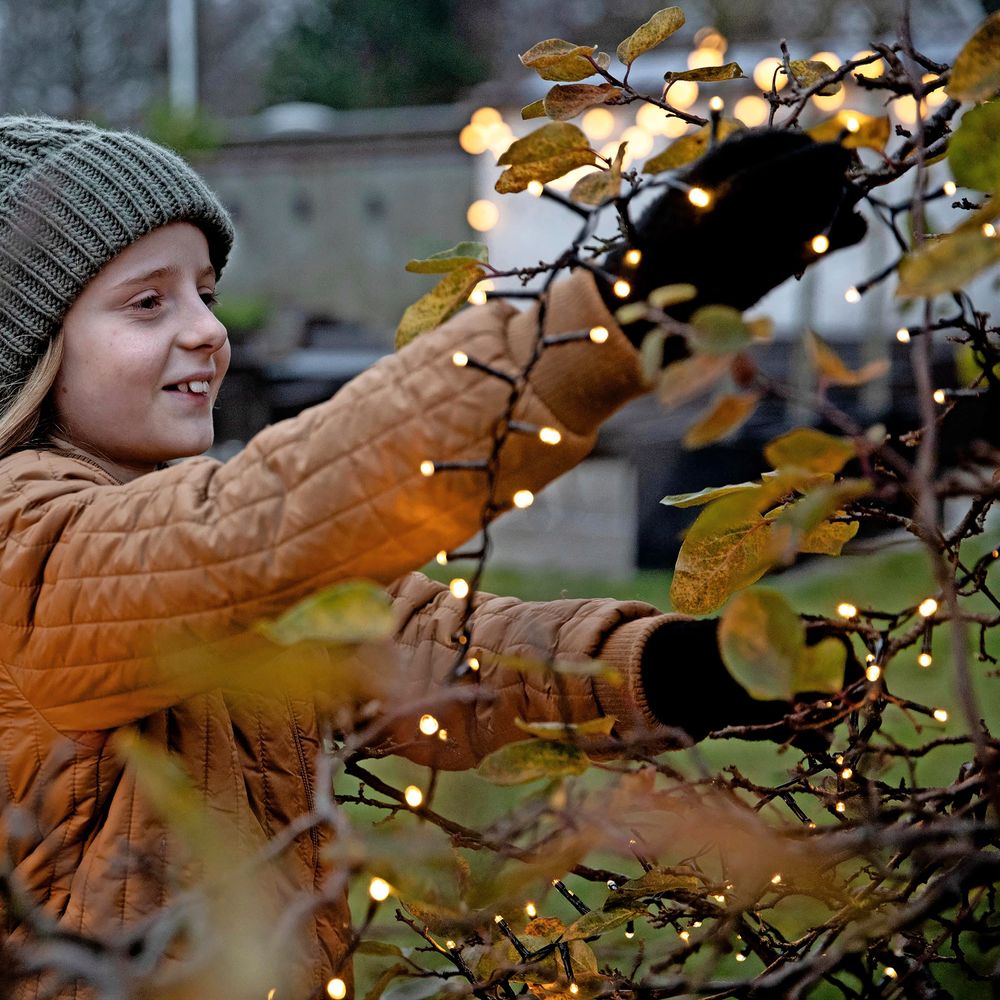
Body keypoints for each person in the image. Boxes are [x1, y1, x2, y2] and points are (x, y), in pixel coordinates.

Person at [0, 115, 863, 999]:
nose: (207, 331)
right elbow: (254, 532)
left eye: (207, 293)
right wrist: (615, 315)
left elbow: (427, 648)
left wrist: (666, 670)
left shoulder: (179, 549)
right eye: (150, 302)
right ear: (30, 348)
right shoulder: (23, 550)